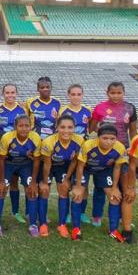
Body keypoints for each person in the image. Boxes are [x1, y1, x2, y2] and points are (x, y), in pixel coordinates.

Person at [89, 81, 137, 227]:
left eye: (119, 93)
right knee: (100, 185)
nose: (116, 96)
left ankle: (123, 215)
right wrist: (106, 139)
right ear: (107, 93)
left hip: (122, 152)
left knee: (122, 185)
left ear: (124, 92)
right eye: (113, 93)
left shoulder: (130, 108)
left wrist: (132, 148)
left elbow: (133, 130)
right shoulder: (100, 107)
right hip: (103, 152)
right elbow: (92, 127)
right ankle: (97, 215)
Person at [71, 124, 128, 242]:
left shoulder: (120, 148)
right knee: (78, 195)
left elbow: (117, 168)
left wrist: (115, 187)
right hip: (86, 168)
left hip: (104, 170)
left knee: (114, 197)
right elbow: (80, 166)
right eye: (105, 138)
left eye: (112, 139)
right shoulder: (88, 145)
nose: (108, 142)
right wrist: (77, 186)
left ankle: (113, 230)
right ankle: (76, 228)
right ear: (98, 137)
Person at [0, 114, 41, 237]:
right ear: (15, 126)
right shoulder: (7, 137)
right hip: (9, 164)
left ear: (31, 127)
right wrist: (1, 180)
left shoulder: (35, 138)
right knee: (2, 190)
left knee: (31, 191)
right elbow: (1, 160)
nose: (24, 128)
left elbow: (36, 161)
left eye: (27, 126)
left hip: (26, 165)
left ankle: (33, 224)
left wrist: (33, 182)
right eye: (21, 126)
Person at [41, 115, 85, 238]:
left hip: (63, 167)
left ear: (74, 128)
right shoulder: (49, 142)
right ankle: (43, 223)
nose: (66, 130)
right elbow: (47, 164)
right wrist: (45, 181)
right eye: (63, 127)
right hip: (48, 166)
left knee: (64, 190)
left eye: (70, 127)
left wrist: (66, 179)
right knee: (44, 191)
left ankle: (62, 224)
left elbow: (74, 161)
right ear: (57, 127)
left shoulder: (79, 141)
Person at [0, 83, 28, 224]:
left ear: (16, 93)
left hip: (19, 153)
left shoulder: (22, 109)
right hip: (2, 153)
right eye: (7, 92)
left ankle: (15, 211)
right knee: (0, 183)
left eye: (13, 92)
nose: (10, 95)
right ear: (3, 94)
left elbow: (28, 126)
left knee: (14, 183)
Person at [58, 84, 93, 225]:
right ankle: (66, 214)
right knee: (66, 185)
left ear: (82, 95)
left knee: (83, 184)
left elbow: (89, 130)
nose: (76, 97)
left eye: (79, 94)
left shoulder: (87, 111)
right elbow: (59, 130)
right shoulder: (63, 111)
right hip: (67, 152)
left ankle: (82, 212)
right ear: (68, 95)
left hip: (82, 152)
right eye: (73, 94)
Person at [26, 76, 61, 140]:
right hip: (35, 138)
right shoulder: (30, 102)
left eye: (47, 87)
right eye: (42, 87)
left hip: (52, 139)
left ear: (51, 88)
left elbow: (60, 121)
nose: (45, 89)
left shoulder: (57, 103)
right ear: (38, 89)